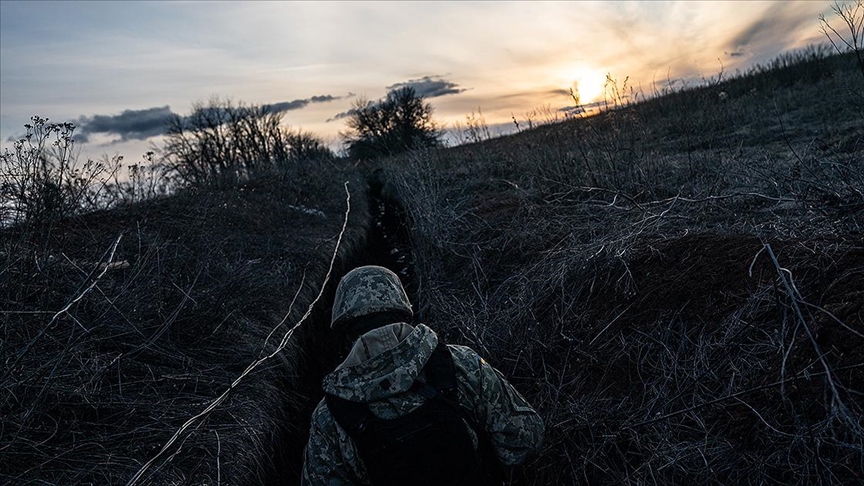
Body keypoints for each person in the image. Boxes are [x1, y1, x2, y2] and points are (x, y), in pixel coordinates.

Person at [301, 265, 544, 485]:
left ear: (344, 333)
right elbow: (526, 438)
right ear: (405, 312)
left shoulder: (330, 415)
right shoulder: (460, 364)